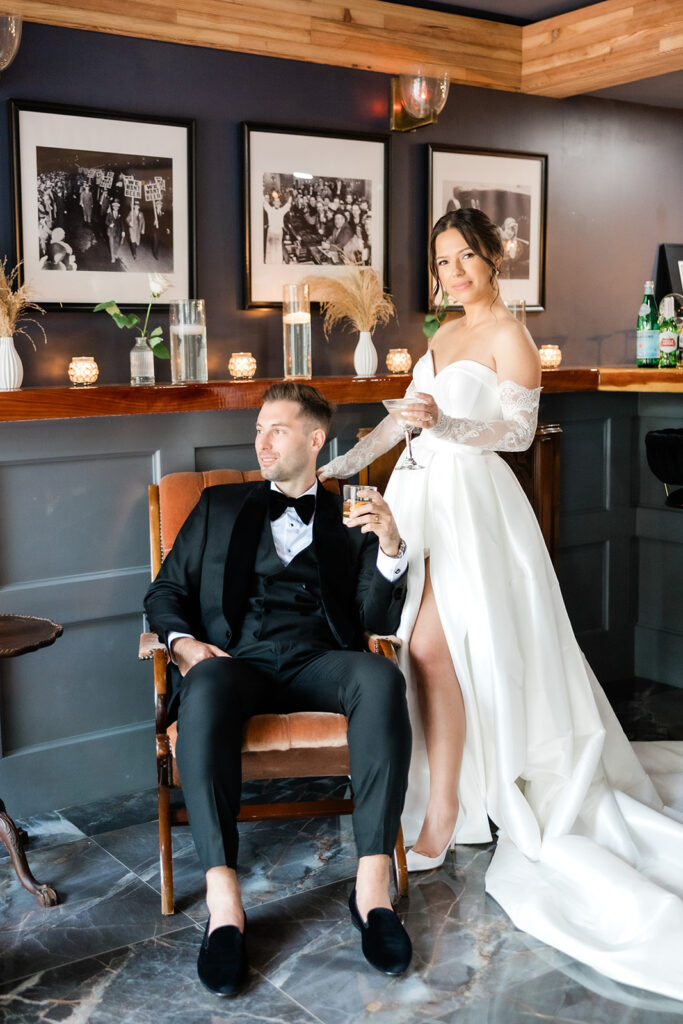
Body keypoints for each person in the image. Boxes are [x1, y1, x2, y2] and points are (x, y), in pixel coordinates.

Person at [319, 208, 683, 1001]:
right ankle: (448, 794)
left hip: (473, 511)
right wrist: (342, 461)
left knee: (433, 650)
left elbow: (517, 435)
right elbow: (400, 421)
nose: (451, 272)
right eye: (440, 260)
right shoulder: (440, 336)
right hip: (418, 504)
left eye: (463, 259)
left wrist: (447, 421)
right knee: (422, 652)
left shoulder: (510, 337)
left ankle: (447, 812)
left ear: (490, 260)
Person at [144, 382, 413, 996]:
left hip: (320, 660)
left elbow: (376, 620)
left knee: (379, 674)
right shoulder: (218, 506)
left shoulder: (351, 514)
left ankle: (372, 893)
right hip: (239, 662)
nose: (260, 441)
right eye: (258, 428)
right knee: (205, 684)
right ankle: (224, 908)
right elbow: (165, 593)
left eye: (278, 429)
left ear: (315, 440)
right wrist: (183, 645)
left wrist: (391, 547)